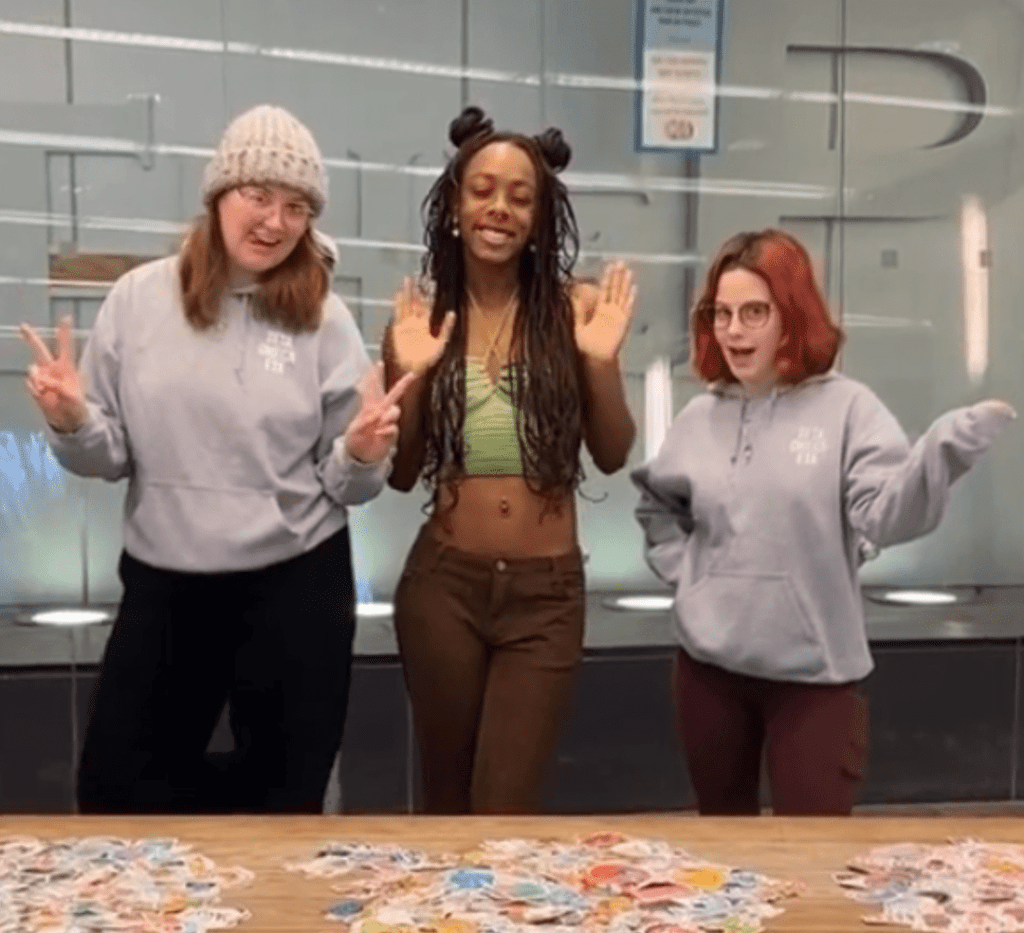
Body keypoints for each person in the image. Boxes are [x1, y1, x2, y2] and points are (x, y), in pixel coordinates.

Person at [20, 105, 410, 813]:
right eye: (257, 195)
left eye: (296, 206)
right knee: (117, 792)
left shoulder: (322, 317)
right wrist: (73, 419)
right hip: (167, 589)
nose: (275, 221)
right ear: (218, 195)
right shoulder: (140, 300)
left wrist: (359, 454)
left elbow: (348, 485)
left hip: (295, 587)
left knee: (284, 800)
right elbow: (107, 458)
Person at [632, 228, 1015, 816]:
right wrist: (693, 582)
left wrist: (943, 450)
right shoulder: (697, 417)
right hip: (708, 674)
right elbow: (657, 509)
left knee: (814, 856)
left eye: (754, 312)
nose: (734, 331)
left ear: (792, 315)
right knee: (720, 856)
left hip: (815, 681)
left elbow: (886, 517)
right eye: (722, 313)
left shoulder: (849, 409)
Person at [383, 106, 637, 814]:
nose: (499, 208)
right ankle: (440, 929)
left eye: (520, 197)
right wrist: (413, 375)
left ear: (540, 217)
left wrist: (601, 364)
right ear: (454, 206)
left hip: (545, 597)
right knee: (445, 802)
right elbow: (402, 474)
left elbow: (614, 455)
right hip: (444, 588)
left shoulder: (575, 311)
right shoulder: (420, 322)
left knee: (504, 810)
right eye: (483, 190)